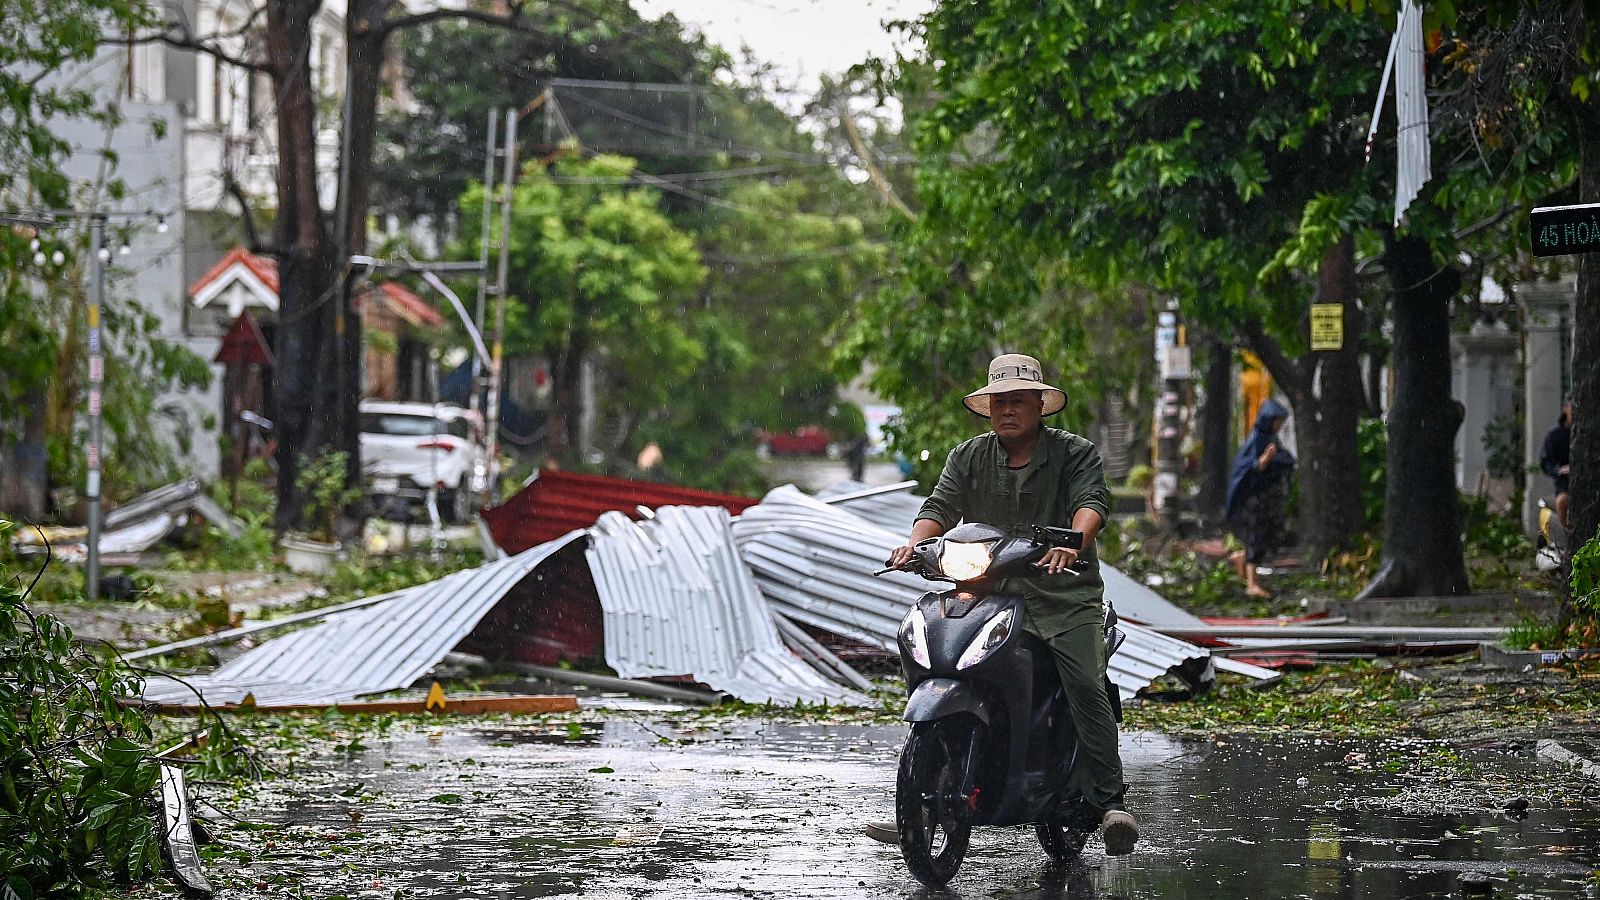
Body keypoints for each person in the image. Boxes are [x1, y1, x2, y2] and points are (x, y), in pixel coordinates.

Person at [865, 353, 1138, 856]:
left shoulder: (1074, 453)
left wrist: (1074, 540)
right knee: (938, 660)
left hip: (1062, 594)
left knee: (1082, 681)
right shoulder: (968, 455)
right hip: (987, 590)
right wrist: (915, 544)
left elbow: (1092, 503)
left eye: (1017, 401)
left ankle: (1109, 801)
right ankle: (922, 797)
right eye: (998, 402)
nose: (1006, 410)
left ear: (1040, 405)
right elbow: (938, 508)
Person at [1224, 399, 1296, 598]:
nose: (1279, 426)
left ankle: (1242, 559)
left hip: (1266, 499)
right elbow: (1249, 469)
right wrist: (1264, 460)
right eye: (1276, 421)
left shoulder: (1271, 439)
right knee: (1255, 537)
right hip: (1253, 499)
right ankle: (1252, 583)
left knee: (1267, 537)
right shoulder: (1256, 440)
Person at [1541, 397, 1573, 531]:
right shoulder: (1555, 435)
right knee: (1562, 501)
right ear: (1566, 409)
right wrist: (1560, 470)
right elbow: (1545, 462)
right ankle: (1567, 536)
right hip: (1565, 484)